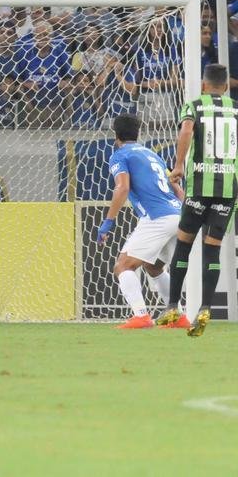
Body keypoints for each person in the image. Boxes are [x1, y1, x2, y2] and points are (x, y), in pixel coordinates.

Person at [159, 64, 238, 336]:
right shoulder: (236, 108)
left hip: (199, 187)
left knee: (183, 245)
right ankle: (205, 307)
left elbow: (186, 131)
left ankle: (172, 306)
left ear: (204, 85)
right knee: (212, 249)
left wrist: (179, 165)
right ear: (226, 87)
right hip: (227, 188)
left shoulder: (193, 105)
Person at [96, 113, 182, 330]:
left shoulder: (120, 155)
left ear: (116, 135)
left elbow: (122, 188)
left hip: (157, 217)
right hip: (178, 213)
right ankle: (177, 316)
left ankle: (141, 316)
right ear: (138, 133)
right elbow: (176, 187)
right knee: (154, 267)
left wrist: (108, 222)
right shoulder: (153, 155)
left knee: (123, 266)